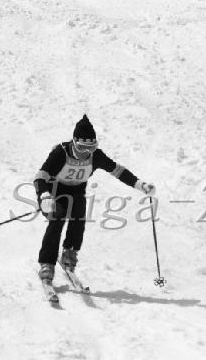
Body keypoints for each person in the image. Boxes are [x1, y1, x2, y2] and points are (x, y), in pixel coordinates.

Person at [33, 114, 155, 286]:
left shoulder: (95, 156)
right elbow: (40, 177)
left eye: (91, 148)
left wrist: (140, 185)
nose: (86, 153)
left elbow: (118, 171)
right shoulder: (61, 152)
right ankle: (47, 263)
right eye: (82, 148)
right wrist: (44, 196)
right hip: (53, 192)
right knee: (57, 218)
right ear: (74, 142)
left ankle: (69, 254)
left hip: (76, 192)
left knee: (78, 219)